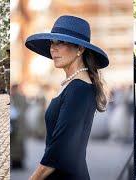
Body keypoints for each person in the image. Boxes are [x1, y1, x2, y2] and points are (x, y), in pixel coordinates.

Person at [25, 15, 109, 180]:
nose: (52, 49)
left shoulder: (79, 89)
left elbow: (59, 149)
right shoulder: (73, 85)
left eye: (60, 42)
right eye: (52, 43)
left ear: (80, 49)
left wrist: (33, 178)